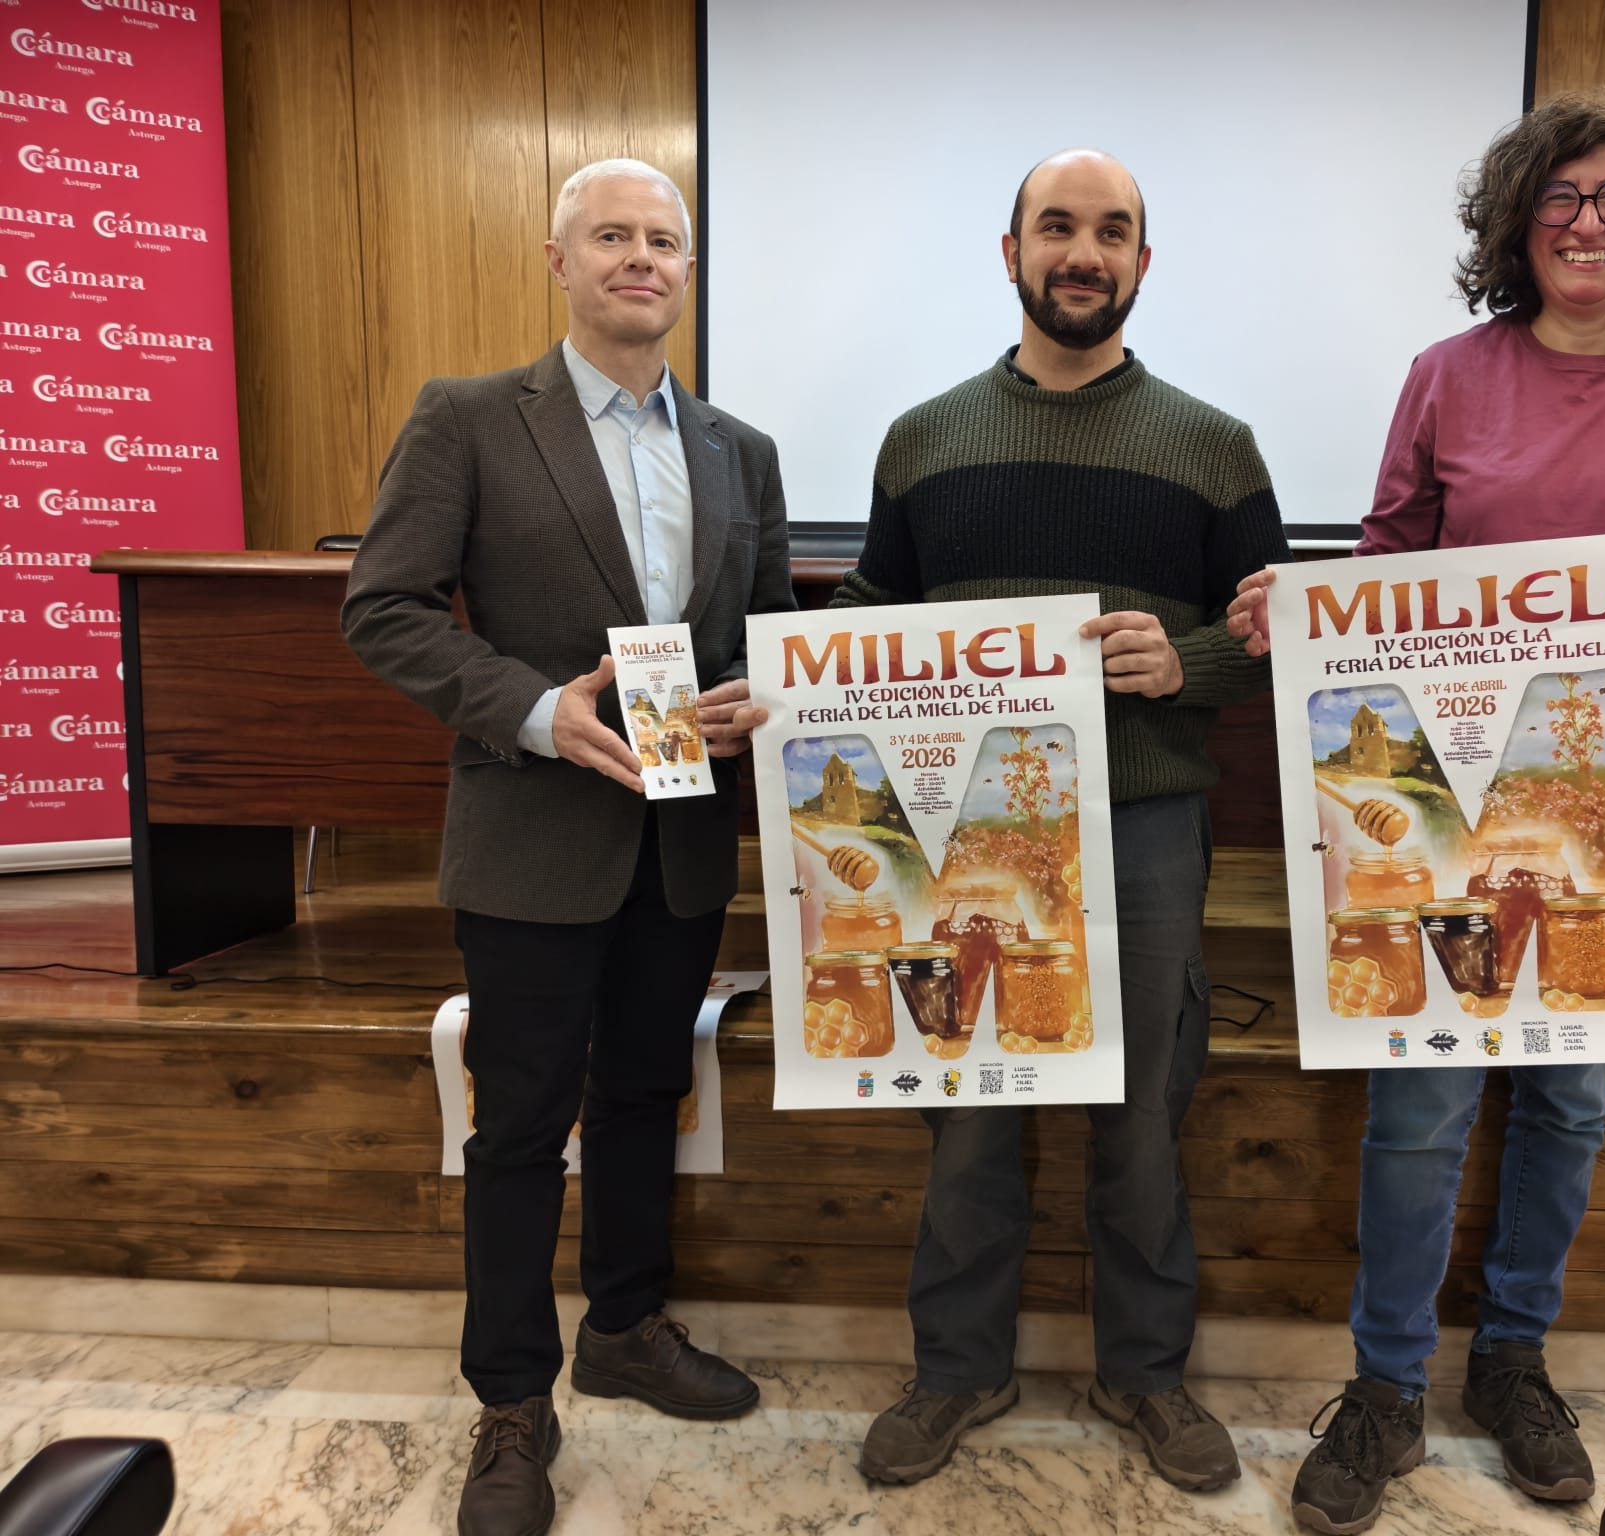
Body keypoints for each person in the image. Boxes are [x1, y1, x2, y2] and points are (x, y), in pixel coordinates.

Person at [1229, 95, 1605, 1533]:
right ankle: (1388, 1387)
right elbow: (1386, 564)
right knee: (1417, 1104)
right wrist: (1312, 610)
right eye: (1561, 199)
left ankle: (1514, 1362)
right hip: (1447, 803)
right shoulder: (1445, 375)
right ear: (1515, 221)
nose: (1588, 223)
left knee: (1570, 1102)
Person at [739, 147, 1291, 1493]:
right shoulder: (924, 438)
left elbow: (1272, 631)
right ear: (1012, 252)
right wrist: (777, 685)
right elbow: (870, 615)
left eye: (1113, 232)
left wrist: (1192, 663)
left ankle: (1146, 1374)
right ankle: (957, 1369)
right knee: (969, 1103)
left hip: (1147, 822)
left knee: (1143, 1109)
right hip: (959, 837)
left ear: (1143, 266)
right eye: (1058, 226)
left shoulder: (1216, 446)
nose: (1083, 252)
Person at [343, 157, 793, 1536]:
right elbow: (386, 609)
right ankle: (512, 1405)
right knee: (523, 1121)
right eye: (613, 235)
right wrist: (534, 712)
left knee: (651, 1091)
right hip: (534, 837)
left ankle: (628, 1329)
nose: (641, 258)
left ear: (686, 269)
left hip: (679, 844)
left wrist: (745, 697)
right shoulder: (470, 420)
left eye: (665, 239)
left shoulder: (740, 450)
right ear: (559, 260)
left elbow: (762, 626)